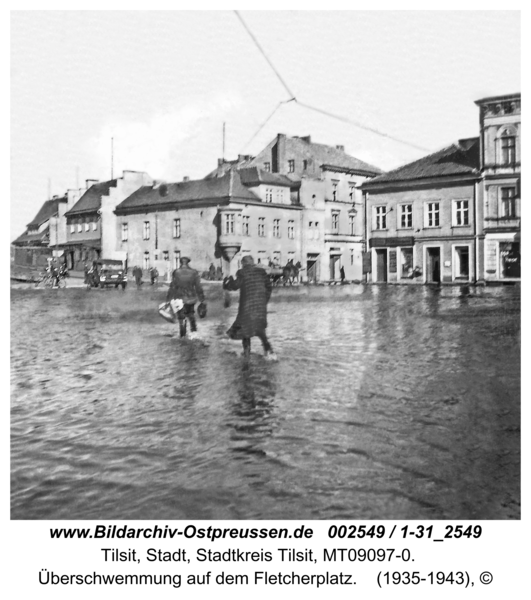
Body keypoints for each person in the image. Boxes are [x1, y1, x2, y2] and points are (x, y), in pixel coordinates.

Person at [223, 255, 275, 360]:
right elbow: (269, 287)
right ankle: (270, 353)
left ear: (243, 263)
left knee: (245, 331)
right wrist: (264, 300)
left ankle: (246, 357)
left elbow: (235, 286)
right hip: (260, 308)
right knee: (260, 330)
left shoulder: (242, 273)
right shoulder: (262, 273)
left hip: (246, 308)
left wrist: (228, 282)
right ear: (253, 262)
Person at [166, 257, 205, 339]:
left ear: (181, 263)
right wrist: (201, 299)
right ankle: (194, 334)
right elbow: (198, 287)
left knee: (181, 317)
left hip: (179, 298)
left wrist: (168, 299)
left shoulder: (176, 272)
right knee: (191, 314)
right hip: (191, 298)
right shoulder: (194, 272)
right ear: (188, 263)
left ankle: (183, 335)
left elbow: (173, 287)